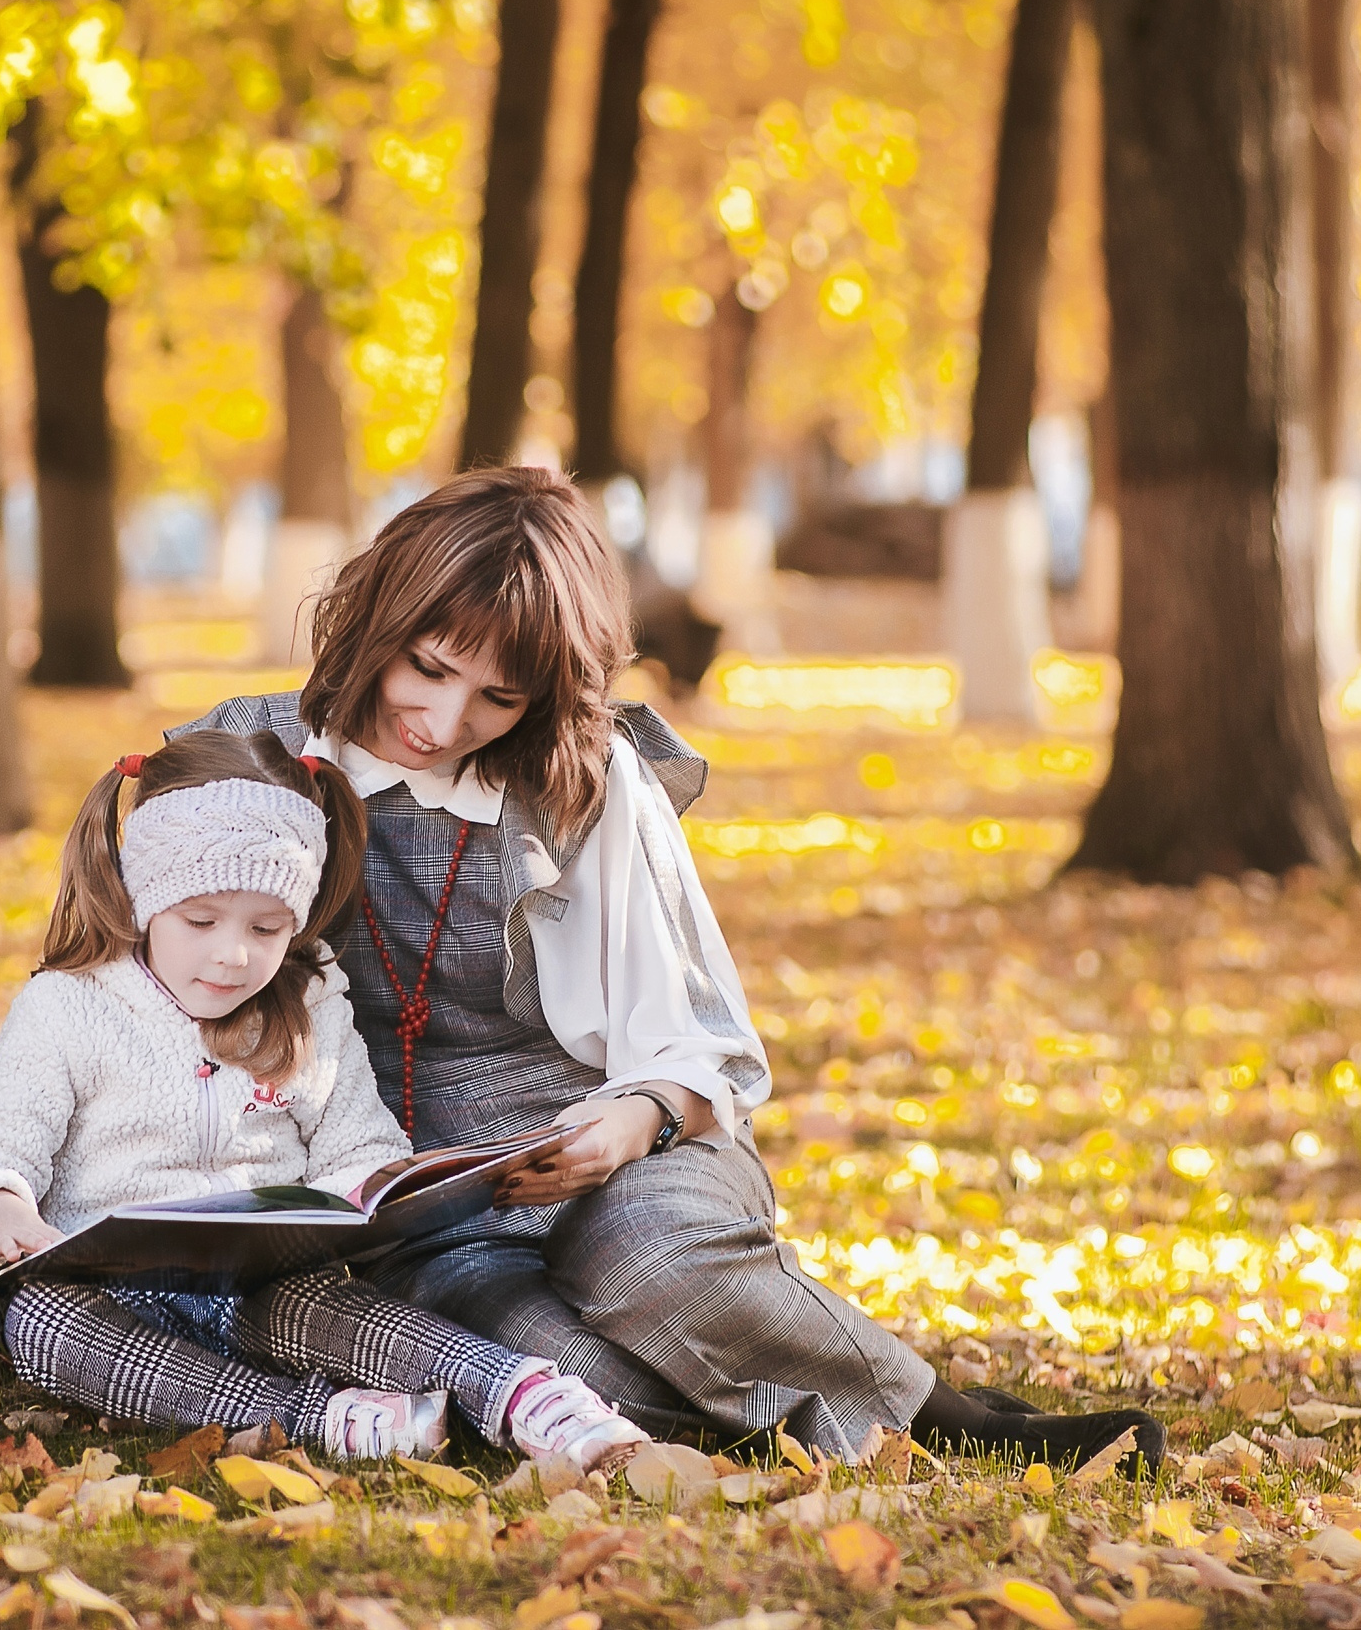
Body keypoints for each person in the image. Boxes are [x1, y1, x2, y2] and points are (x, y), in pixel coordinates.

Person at [178, 469, 1163, 1474]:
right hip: (403, 1205)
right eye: (425, 668)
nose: (442, 718)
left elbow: (703, 1043)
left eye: (496, 696)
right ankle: (785, 1427)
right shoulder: (248, 758)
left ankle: (948, 1417)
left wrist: (634, 1119)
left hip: (606, 1145)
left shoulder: (585, 781)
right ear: (377, 619)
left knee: (660, 1271)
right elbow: (135, 995)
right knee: (558, 1366)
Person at [0, 728, 650, 1467]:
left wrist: (348, 1209)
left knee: (331, 1310)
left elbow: (362, 1151)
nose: (234, 953)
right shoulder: (69, 1006)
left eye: (267, 928)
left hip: (264, 1283)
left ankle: (527, 1395)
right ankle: (326, 1418)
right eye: (200, 921)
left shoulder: (308, 1003)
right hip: (114, 1294)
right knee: (42, 1326)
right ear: (144, 900)